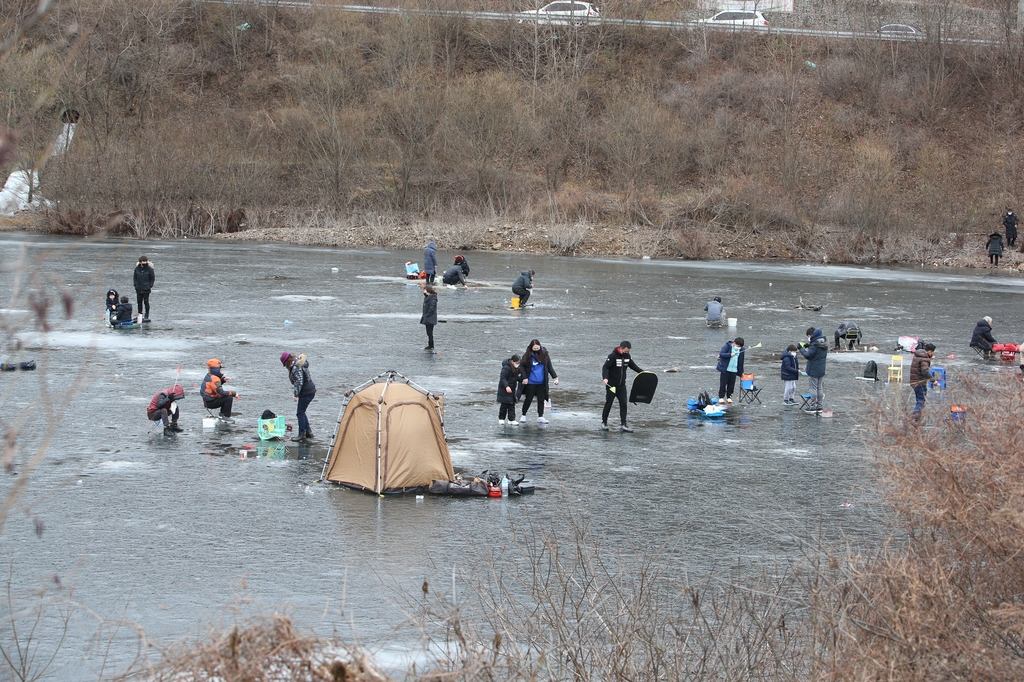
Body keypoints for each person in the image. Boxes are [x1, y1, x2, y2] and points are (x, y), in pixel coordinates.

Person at [601, 341, 644, 432]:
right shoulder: (612, 356)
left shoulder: (627, 357)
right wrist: (605, 378)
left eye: (628, 351)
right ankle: (604, 422)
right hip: (611, 386)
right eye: (625, 351)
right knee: (609, 404)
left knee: (623, 404)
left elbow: (633, 366)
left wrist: (642, 372)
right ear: (621, 348)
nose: (627, 353)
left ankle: (623, 424)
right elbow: (605, 367)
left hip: (621, 386)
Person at [520, 339, 559, 424]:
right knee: (528, 399)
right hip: (531, 382)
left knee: (541, 399)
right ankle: (523, 414)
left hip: (541, 382)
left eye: (538, 348)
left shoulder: (545, 355)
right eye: (534, 349)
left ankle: (540, 416)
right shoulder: (527, 355)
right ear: (531, 348)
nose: (536, 350)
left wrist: (555, 377)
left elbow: (549, 366)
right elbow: (522, 366)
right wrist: (524, 377)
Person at [281, 352, 316, 441]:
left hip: (306, 392)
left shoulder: (296, 367)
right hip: (309, 390)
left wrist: (295, 395)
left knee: (300, 413)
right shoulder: (298, 362)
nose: (285, 367)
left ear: (287, 362)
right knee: (302, 412)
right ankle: (308, 432)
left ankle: (302, 434)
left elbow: (299, 382)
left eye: (285, 364)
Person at [799, 327, 829, 414]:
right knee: (819, 388)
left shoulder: (815, 344)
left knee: (813, 388)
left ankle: (812, 407)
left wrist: (801, 349)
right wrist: (809, 346)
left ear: (811, 335)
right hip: (821, 368)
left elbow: (808, 355)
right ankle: (819, 406)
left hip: (813, 369)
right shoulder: (823, 342)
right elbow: (816, 352)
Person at [201, 358, 236, 422]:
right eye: (220, 368)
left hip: (207, 401)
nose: (221, 370)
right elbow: (221, 392)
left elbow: (214, 387)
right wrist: (234, 393)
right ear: (215, 369)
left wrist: (222, 380)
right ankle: (225, 416)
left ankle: (223, 415)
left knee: (227, 397)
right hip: (210, 402)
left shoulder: (210, 376)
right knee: (228, 398)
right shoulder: (215, 379)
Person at [909, 342, 936, 419]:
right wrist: (933, 380)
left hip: (914, 381)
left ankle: (917, 417)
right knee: (921, 401)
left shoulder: (919, 355)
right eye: (932, 352)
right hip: (920, 383)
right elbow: (925, 371)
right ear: (930, 351)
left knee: (919, 400)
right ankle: (914, 416)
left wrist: (929, 359)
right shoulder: (925, 359)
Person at [716, 337, 745, 404]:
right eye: (738, 346)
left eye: (740, 347)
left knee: (731, 384)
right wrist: (729, 355)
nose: (739, 348)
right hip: (726, 369)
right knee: (723, 383)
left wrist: (741, 372)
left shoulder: (741, 350)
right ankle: (721, 397)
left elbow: (741, 362)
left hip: (734, 370)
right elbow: (721, 354)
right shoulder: (727, 346)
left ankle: (729, 397)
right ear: (734, 343)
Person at [497, 354, 522, 426]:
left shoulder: (516, 369)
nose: (517, 365)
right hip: (505, 390)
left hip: (512, 389)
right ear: (512, 361)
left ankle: (511, 419)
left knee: (511, 404)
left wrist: (521, 380)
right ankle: (501, 418)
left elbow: (515, 377)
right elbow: (503, 378)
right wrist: (506, 386)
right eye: (516, 363)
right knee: (504, 405)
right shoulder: (506, 368)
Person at [133, 255, 155, 322]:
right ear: (140, 262)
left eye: (145, 261)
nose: (144, 263)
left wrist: (149, 286)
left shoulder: (150, 269)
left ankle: (146, 315)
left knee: (146, 302)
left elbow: (152, 278)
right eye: (143, 261)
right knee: (139, 302)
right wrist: (135, 285)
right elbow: (135, 278)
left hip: (146, 289)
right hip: (138, 288)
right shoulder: (137, 269)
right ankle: (140, 314)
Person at [420, 285, 437, 350]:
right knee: (428, 332)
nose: (423, 291)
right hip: (428, 317)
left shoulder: (432, 299)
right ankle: (430, 345)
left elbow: (431, 308)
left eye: (424, 290)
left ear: (427, 291)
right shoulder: (427, 297)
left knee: (430, 332)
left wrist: (427, 315)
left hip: (430, 318)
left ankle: (431, 345)